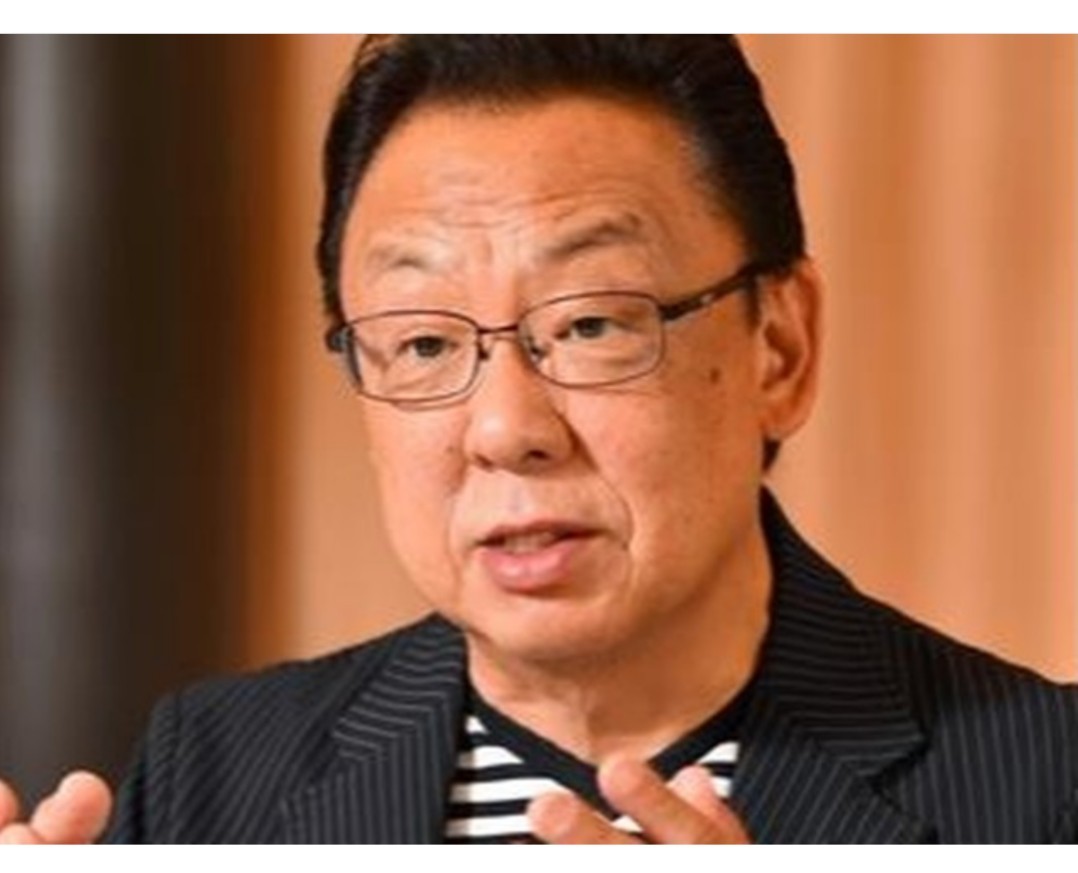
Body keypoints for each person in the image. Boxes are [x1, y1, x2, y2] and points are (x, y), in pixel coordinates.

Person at [1, 34, 1076, 845]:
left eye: (593, 324)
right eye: (423, 342)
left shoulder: (1046, 785)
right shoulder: (211, 773)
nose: (506, 430)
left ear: (779, 350)